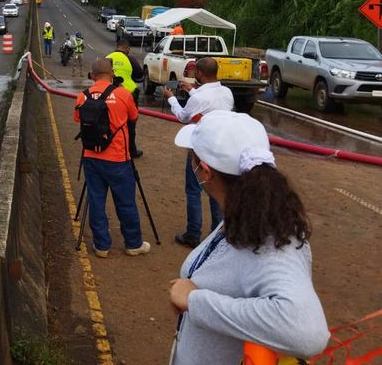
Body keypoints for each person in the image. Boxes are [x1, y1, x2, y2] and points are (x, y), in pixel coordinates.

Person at [168, 111, 329, 365]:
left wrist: (195, 301)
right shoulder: (248, 214)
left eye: (192, 158)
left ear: (205, 171)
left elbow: (308, 332)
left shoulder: (270, 240)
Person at [74, 59, 150, 258]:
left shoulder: (82, 96)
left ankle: (101, 246)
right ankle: (133, 243)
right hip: (118, 158)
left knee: (96, 201)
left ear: (92, 75)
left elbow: (78, 119)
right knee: (125, 202)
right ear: (112, 73)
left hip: (91, 157)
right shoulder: (123, 94)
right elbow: (134, 117)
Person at [163, 57, 233, 248]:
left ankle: (193, 234)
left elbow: (183, 117)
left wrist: (171, 98)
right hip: (219, 147)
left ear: (200, 74)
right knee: (216, 188)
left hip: (199, 147)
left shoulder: (198, 98)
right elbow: (209, 102)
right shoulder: (227, 93)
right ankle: (217, 234)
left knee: (194, 190)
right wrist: (191, 90)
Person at [106, 39, 143, 158]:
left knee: (110, 122)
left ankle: (109, 147)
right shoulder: (130, 59)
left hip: (109, 94)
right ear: (127, 48)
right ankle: (131, 151)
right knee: (130, 124)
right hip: (129, 94)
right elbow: (140, 75)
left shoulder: (107, 57)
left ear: (117, 47)